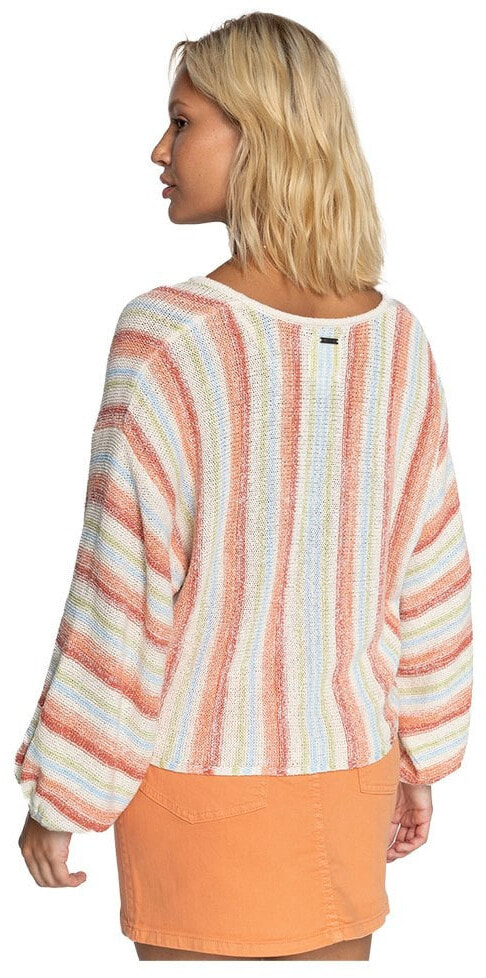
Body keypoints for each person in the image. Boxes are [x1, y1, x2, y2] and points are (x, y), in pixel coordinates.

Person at [15, 11, 473, 962]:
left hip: (202, 790)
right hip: (353, 774)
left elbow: (121, 595)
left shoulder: (171, 338)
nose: (159, 149)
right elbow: (432, 576)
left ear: (257, 135)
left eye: (182, 122)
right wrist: (422, 755)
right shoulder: (400, 344)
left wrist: (62, 790)